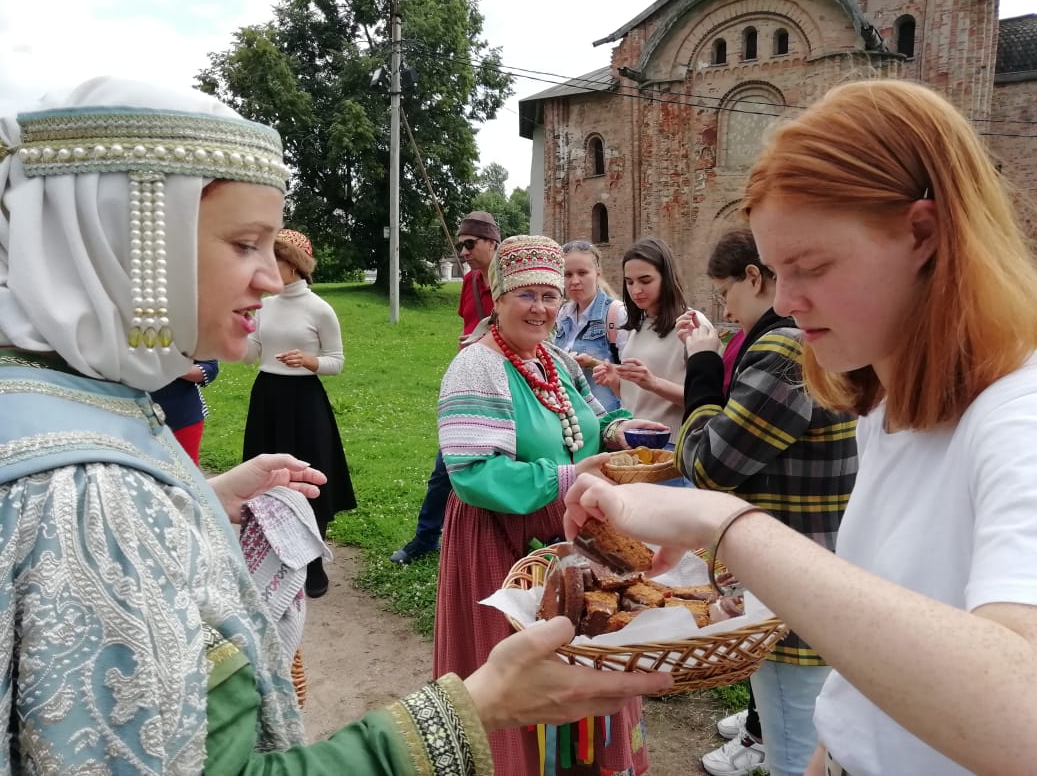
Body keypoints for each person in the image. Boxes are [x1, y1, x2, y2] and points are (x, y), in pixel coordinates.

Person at [0, 76, 671, 774]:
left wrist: (200, 501)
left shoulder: (92, 416)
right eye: (244, 244)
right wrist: (468, 713)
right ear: (124, 241)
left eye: (552, 297)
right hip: (503, 545)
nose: (271, 277)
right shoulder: (85, 495)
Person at [563, 78, 1037, 776]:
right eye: (777, 271)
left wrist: (725, 522)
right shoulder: (888, 406)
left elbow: (1024, 716)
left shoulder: (1019, 416)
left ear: (924, 233)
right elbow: (866, 683)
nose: (785, 299)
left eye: (811, 266)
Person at [435, 234, 671, 774]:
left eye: (550, 294)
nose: (541, 308)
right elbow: (473, 473)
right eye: (526, 295)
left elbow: (589, 419)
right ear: (497, 298)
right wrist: (567, 477)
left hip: (572, 531)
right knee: (522, 670)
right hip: (504, 544)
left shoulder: (555, 358)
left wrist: (621, 429)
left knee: (583, 653)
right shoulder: (477, 368)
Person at [673, 228, 857, 776]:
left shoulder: (783, 349)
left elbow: (709, 465)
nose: (723, 309)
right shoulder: (804, 341)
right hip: (814, 570)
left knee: (795, 755)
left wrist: (702, 363)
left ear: (754, 277)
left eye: (724, 293)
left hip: (791, 593)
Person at [242, 228, 356, 598]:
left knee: (308, 478)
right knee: (266, 478)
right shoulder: (264, 305)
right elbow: (250, 354)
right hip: (268, 399)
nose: (271, 266)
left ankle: (312, 563)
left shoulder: (319, 309)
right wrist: (238, 328)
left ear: (296, 265)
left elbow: (337, 362)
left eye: (278, 259)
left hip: (305, 402)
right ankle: (273, 555)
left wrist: (309, 361)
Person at [390, 211, 499, 565]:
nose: (463, 252)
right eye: (461, 245)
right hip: (470, 383)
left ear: (492, 243)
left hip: (506, 386)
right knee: (446, 467)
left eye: (470, 244)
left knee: (502, 470)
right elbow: (468, 323)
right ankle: (426, 537)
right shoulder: (469, 283)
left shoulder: (512, 280)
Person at [593, 236, 696, 486]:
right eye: (629, 282)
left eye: (645, 280)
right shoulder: (637, 326)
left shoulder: (691, 324)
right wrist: (615, 382)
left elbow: (707, 400)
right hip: (631, 448)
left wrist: (653, 382)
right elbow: (637, 398)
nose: (635, 290)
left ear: (667, 277)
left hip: (669, 450)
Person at [553, 239, 629, 411]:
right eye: (567, 274)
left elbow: (633, 376)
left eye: (582, 273)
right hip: (569, 418)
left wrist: (593, 363)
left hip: (605, 419)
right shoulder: (562, 314)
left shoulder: (616, 314)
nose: (575, 281)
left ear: (597, 273)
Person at [149, 359, 219, 464]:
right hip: (126, 414)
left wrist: (173, 367)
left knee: (185, 471)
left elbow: (209, 368)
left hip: (182, 417)